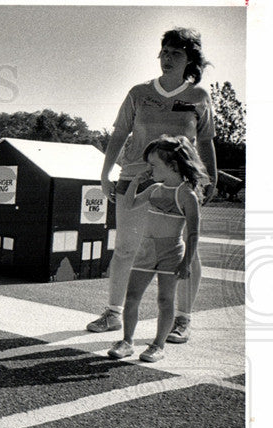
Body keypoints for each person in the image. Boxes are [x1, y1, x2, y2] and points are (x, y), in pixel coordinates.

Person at [88, 27, 217, 344]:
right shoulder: (139, 93)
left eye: (177, 53)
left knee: (185, 251)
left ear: (190, 59)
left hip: (179, 186)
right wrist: (106, 173)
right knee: (126, 249)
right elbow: (119, 135)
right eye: (165, 52)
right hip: (134, 179)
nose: (169, 58)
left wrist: (209, 176)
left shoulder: (199, 98)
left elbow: (206, 141)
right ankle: (113, 313)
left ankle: (183, 319)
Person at [107, 135, 205, 363]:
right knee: (131, 297)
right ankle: (126, 342)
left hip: (171, 254)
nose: (149, 169)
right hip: (146, 251)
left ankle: (158, 345)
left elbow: (193, 232)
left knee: (165, 300)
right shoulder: (154, 189)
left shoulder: (187, 195)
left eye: (153, 165)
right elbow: (129, 204)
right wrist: (134, 181)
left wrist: (186, 262)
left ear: (172, 165)